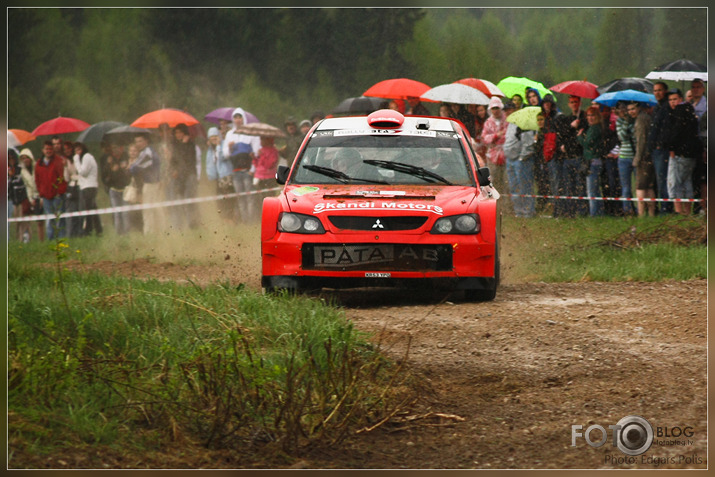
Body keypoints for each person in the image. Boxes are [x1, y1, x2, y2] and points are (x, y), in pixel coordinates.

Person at [664, 88, 702, 215]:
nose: (672, 102)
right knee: (687, 182)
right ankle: (687, 212)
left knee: (676, 181)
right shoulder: (690, 111)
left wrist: (671, 147)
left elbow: (677, 131)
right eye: (670, 100)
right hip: (691, 153)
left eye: (675, 99)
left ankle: (679, 212)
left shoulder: (680, 111)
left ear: (680, 99)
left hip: (680, 152)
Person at [224, 107, 262, 222]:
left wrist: (253, 169)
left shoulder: (251, 133)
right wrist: (230, 148)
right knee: (240, 198)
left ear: (243, 118)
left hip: (247, 171)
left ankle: (251, 221)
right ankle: (245, 221)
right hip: (236, 171)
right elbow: (225, 154)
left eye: (240, 117)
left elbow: (256, 153)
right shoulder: (229, 134)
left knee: (250, 198)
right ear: (233, 119)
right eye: (235, 117)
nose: (238, 119)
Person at [503, 107, 536, 218]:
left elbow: (528, 143)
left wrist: (522, 158)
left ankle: (528, 211)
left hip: (520, 160)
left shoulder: (524, 124)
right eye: (506, 110)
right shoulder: (510, 124)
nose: (507, 112)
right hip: (510, 160)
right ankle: (518, 211)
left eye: (509, 110)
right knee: (514, 187)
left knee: (524, 186)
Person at [646, 81, 673, 214]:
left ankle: (666, 208)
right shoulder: (657, 107)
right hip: (655, 149)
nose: (657, 93)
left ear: (665, 91)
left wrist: (659, 144)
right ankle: (661, 207)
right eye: (655, 90)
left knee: (663, 180)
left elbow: (666, 129)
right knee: (658, 180)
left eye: (659, 90)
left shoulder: (667, 107)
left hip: (662, 149)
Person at [167, 123, 199, 230]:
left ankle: (193, 225)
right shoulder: (174, 145)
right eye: (176, 132)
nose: (178, 134)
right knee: (179, 201)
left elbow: (189, 160)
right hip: (178, 178)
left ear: (184, 133)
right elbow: (173, 161)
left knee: (189, 201)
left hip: (189, 175)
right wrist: (173, 169)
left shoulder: (190, 144)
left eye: (180, 132)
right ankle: (180, 226)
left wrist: (184, 145)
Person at [129, 134, 162, 235]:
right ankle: (159, 230)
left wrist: (130, 166)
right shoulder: (149, 151)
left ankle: (149, 232)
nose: (138, 144)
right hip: (153, 183)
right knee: (156, 208)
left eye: (140, 141)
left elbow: (135, 167)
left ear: (146, 141)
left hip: (150, 183)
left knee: (148, 209)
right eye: (136, 141)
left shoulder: (147, 152)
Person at [34, 139, 68, 240]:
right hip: (45, 196)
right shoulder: (39, 163)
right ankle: (51, 240)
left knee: (60, 219)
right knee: (49, 220)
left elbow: (62, 177)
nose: (48, 151)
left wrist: (60, 192)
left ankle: (62, 240)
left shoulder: (58, 161)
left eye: (50, 149)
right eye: (46, 149)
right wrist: (41, 193)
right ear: (43, 150)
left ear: (53, 150)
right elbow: (37, 180)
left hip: (57, 195)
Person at [629, 102, 657, 217]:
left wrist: (637, 159)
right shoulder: (645, 117)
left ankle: (641, 215)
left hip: (644, 157)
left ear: (639, 107)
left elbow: (641, 141)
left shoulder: (641, 120)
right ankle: (651, 214)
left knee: (640, 187)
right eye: (629, 109)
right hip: (650, 156)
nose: (631, 111)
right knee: (649, 187)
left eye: (633, 108)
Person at [577, 106, 604, 217]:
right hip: (593, 160)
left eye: (592, 115)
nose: (590, 118)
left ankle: (594, 214)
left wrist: (579, 137)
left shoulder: (595, 128)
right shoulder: (592, 128)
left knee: (591, 191)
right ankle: (599, 213)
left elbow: (588, 143)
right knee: (595, 190)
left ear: (597, 116)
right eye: (588, 115)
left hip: (593, 161)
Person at [205, 126, 235, 222]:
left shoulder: (223, 145)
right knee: (220, 200)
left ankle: (232, 218)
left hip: (227, 176)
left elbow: (223, 157)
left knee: (230, 198)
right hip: (218, 178)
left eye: (215, 136)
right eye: (211, 136)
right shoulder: (210, 150)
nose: (213, 138)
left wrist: (218, 146)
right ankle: (224, 219)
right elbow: (209, 163)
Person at [73, 141, 103, 236]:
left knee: (88, 209)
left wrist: (76, 160)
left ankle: (88, 230)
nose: (77, 152)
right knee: (92, 209)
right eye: (76, 151)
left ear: (83, 149)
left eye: (79, 149)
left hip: (89, 187)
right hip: (88, 186)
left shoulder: (86, 157)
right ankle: (98, 230)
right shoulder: (88, 157)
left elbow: (83, 172)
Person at [101, 143, 131, 235]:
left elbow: (129, 173)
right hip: (114, 190)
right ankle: (119, 234)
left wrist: (122, 169)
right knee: (117, 213)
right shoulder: (108, 159)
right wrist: (110, 168)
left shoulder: (126, 156)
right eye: (113, 147)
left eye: (117, 147)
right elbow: (104, 177)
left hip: (125, 189)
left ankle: (127, 234)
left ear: (121, 147)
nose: (115, 149)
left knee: (125, 213)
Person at [598, 105, 622, 217]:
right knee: (606, 184)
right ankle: (609, 208)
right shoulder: (602, 123)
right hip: (604, 156)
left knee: (614, 183)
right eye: (603, 110)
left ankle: (618, 208)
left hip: (614, 156)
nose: (605, 112)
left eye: (609, 110)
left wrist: (613, 151)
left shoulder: (615, 121)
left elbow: (617, 138)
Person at [481, 96, 509, 193]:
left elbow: (508, 135)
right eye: (493, 108)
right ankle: (497, 204)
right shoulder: (488, 123)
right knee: (494, 180)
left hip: (506, 154)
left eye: (497, 108)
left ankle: (507, 205)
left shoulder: (507, 120)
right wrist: (496, 136)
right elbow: (484, 138)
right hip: (492, 156)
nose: (495, 111)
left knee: (506, 181)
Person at [18, 148, 45, 241]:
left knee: (48, 219)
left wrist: (42, 197)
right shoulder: (23, 172)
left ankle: (50, 239)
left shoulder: (37, 166)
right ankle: (41, 241)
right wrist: (30, 199)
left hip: (43, 195)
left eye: (27, 157)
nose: (26, 160)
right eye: (23, 158)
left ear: (30, 157)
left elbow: (42, 182)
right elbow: (28, 187)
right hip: (34, 197)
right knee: (39, 221)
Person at [616, 101, 637, 216]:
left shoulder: (635, 120)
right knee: (626, 187)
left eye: (625, 108)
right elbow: (622, 136)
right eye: (620, 109)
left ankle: (639, 209)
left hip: (635, 155)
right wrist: (626, 123)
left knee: (638, 185)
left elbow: (636, 135)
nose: (623, 111)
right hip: (624, 157)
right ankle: (627, 210)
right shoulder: (619, 121)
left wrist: (630, 121)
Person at [251, 136, 279, 213]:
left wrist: (263, 155)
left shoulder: (273, 151)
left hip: (269, 178)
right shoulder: (261, 150)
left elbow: (269, 165)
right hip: (260, 178)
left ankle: (271, 214)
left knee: (270, 199)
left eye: (262, 139)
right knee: (260, 199)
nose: (260, 141)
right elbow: (258, 165)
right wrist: (254, 158)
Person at [8, 149, 30, 241]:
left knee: (22, 220)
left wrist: (14, 175)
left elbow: (23, 183)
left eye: (12, 158)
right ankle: (16, 239)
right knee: (15, 222)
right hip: (12, 199)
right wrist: (10, 177)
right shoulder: (7, 170)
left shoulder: (20, 169)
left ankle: (24, 238)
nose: (11, 160)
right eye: (9, 159)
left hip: (21, 198)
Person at [62, 140, 82, 237]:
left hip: (80, 186)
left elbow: (80, 172)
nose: (67, 151)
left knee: (80, 210)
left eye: (69, 148)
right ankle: (70, 234)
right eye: (65, 149)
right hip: (71, 188)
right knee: (71, 211)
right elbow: (66, 178)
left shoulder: (78, 159)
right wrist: (65, 167)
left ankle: (80, 233)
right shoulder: (65, 161)